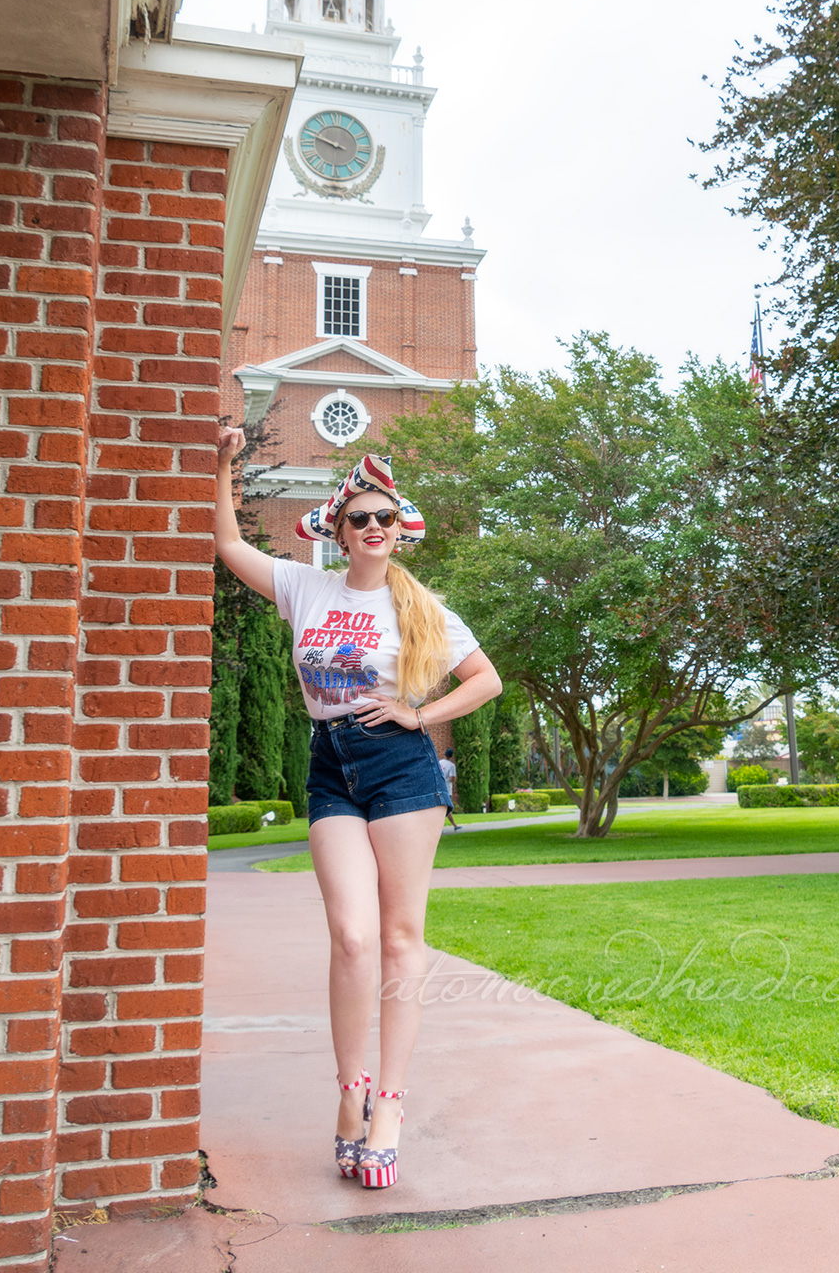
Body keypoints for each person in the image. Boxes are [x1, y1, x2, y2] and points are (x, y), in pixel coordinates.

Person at [215, 435, 501, 1190]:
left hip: (399, 768)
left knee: (401, 937)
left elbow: (485, 681)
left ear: (400, 530)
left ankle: (390, 1109)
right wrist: (222, 466)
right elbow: (225, 541)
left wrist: (419, 713)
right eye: (361, 518)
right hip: (330, 766)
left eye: (387, 519)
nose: (375, 528)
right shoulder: (305, 588)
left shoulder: (421, 607)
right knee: (350, 935)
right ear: (337, 531)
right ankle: (350, 1094)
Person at [438, 749, 461, 830]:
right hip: (447, 789)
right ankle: (439, 828)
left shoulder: (439, 762)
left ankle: (455, 825)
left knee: (445, 809)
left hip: (439, 787)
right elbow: (452, 778)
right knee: (445, 809)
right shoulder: (451, 765)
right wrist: (454, 780)